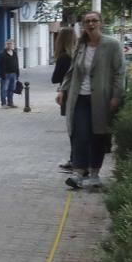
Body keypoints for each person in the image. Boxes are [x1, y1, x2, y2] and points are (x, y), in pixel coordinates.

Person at [56, 10, 125, 190]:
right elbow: (72, 70)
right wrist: (63, 89)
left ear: (101, 23)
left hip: (102, 99)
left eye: (94, 21)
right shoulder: (81, 45)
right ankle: (78, 173)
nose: (91, 24)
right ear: (83, 25)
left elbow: (119, 73)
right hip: (80, 97)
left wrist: (117, 95)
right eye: (87, 21)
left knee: (98, 136)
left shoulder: (112, 45)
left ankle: (94, 174)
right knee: (80, 135)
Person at [51, 27, 77, 170]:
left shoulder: (63, 57)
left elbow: (55, 78)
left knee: (72, 129)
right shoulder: (76, 54)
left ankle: (75, 160)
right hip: (77, 93)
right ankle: (75, 159)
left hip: (67, 94)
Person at [0, 39, 20, 108]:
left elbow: (17, 64)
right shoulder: (2, 54)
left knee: (11, 89)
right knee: (4, 89)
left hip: (13, 74)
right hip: (5, 75)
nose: (10, 45)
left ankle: (10, 103)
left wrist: (17, 74)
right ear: (6, 45)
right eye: (8, 44)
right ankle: (3, 104)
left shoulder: (14, 53)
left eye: (11, 44)